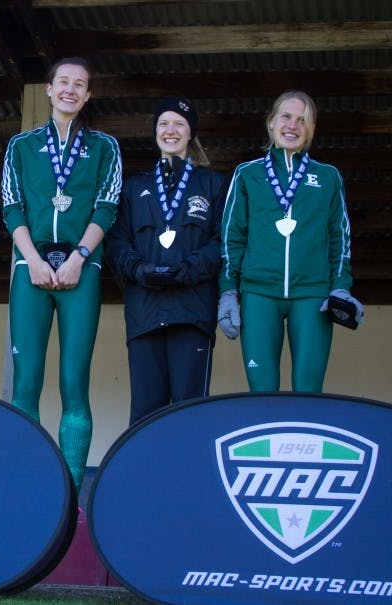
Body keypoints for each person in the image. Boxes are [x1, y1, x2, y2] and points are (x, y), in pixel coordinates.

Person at [0, 57, 122, 491]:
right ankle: (27, 487)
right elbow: (11, 206)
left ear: (88, 95)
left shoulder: (104, 146)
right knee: (26, 383)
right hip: (29, 268)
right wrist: (33, 260)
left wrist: (79, 258)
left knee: (74, 382)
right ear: (49, 89)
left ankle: (70, 493)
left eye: (80, 84)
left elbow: (107, 206)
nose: (70, 89)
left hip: (80, 269)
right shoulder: (21, 145)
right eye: (63, 82)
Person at [218, 90, 364, 392]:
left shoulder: (328, 177)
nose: (293, 125)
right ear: (271, 122)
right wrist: (228, 291)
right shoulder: (247, 174)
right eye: (286, 116)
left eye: (303, 120)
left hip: (313, 294)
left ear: (311, 129)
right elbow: (232, 237)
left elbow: (339, 237)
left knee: (309, 391)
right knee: (262, 391)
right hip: (259, 292)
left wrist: (341, 286)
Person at [105, 98, 227, 425]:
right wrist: (139, 269)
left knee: (189, 411)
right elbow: (116, 242)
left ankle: (188, 463)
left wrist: (188, 270)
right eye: (163, 124)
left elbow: (224, 242)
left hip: (192, 314)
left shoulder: (213, 184)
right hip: (145, 315)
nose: (170, 131)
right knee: (145, 414)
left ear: (191, 133)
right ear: (155, 131)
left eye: (179, 124)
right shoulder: (134, 187)